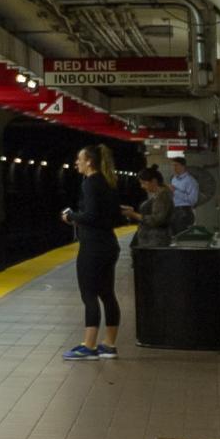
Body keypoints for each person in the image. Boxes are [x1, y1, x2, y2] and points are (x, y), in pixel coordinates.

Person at [62, 143, 122, 359]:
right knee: (107, 294)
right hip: (109, 245)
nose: (76, 162)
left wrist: (71, 217)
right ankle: (109, 344)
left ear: (89, 161)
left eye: (80, 158)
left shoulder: (90, 184)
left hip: (93, 247)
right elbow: (112, 215)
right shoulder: (109, 182)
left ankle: (89, 346)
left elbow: (91, 216)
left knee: (89, 295)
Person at [123, 169, 175, 250]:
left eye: (144, 183)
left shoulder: (162, 196)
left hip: (155, 242)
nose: (142, 186)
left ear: (154, 181)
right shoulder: (158, 195)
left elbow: (156, 219)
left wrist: (133, 214)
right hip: (151, 241)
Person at [168, 157, 199, 233]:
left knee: (181, 236)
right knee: (173, 236)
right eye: (173, 165)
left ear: (183, 166)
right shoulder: (174, 179)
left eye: (176, 165)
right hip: (174, 210)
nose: (174, 168)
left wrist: (175, 191)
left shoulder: (190, 181)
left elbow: (193, 200)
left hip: (184, 212)